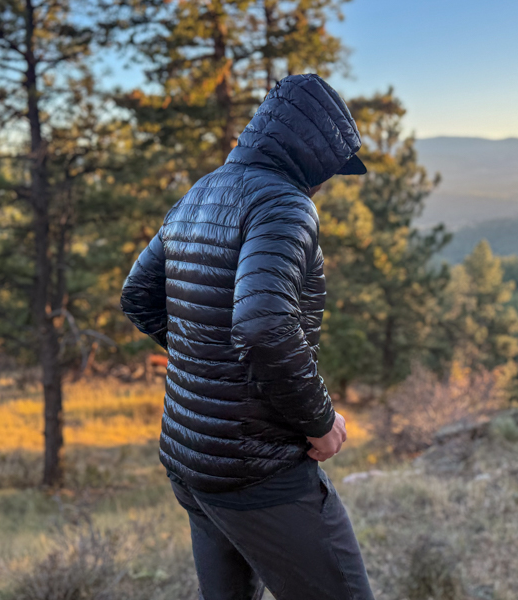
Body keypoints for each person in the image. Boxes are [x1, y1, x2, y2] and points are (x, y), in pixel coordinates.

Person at [121, 73, 374, 600]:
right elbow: (264, 327)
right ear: (310, 154)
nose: (327, 182)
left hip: (192, 462)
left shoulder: (202, 192)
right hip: (258, 469)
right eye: (330, 168)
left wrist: (212, 363)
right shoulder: (285, 205)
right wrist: (321, 421)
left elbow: (139, 294)